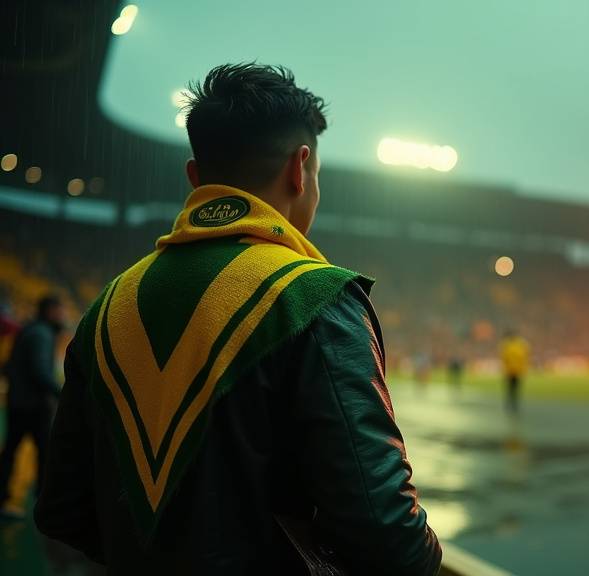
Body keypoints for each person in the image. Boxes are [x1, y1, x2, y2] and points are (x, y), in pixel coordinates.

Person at [34, 64, 441, 575]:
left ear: (194, 178)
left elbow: (63, 511)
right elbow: (388, 537)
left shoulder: (106, 307)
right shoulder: (315, 297)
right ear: (301, 167)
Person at [0, 294, 64, 518]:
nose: (63, 315)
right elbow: (40, 372)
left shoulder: (30, 329)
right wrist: (62, 393)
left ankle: (4, 499)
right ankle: (43, 503)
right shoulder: (42, 334)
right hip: (33, 406)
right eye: (59, 310)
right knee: (44, 453)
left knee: (11, 450)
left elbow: (9, 366)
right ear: (49, 311)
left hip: (19, 402)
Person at [499, 329, 530, 415]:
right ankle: (510, 404)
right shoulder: (508, 345)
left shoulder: (519, 345)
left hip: (516, 371)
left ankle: (513, 404)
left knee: (514, 389)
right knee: (510, 389)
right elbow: (504, 358)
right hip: (510, 371)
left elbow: (524, 358)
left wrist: (523, 368)